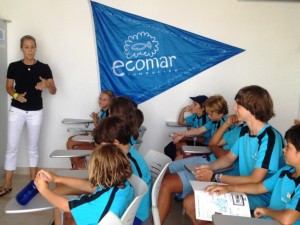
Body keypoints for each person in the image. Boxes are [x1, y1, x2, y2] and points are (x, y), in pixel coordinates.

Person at [182, 85, 286, 225]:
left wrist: (215, 177)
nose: (234, 108)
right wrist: (208, 167)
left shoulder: (270, 137)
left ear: (252, 108)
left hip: (263, 195)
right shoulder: (244, 131)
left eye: (238, 104)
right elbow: (228, 158)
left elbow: (256, 179)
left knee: (208, 212)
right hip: (243, 187)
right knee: (189, 202)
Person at [157, 95, 233, 223]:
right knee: (168, 168)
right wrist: (181, 134)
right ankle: (174, 195)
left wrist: (213, 147)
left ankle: (175, 195)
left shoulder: (230, 126)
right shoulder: (214, 121)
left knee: (167, 183)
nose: (208, 116)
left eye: (210, 113)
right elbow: (198, 131)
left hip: (214, 163)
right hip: (207, 157)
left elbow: (223, 154)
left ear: (219, 112)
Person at [205, 124, 300, 225]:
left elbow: (287, 219)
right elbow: (259, 187)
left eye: (288, 147)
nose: (283, 149)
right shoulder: (285, 171)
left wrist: (266, 211)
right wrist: (229, 188)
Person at [0, 35, 57, 197]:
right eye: (26, 47)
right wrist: (17, 96)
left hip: (35, 112)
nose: (30, 50)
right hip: (17, 111)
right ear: (22, 48)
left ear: (36, 48)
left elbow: (54, 91)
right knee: (11, 147)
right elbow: (9, 87)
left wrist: (46, 85)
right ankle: (7, 183)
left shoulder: (44, 67)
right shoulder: (14, 66)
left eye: (32, 47)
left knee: (33, 147)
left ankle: (34, 182)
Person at [35, 144, 134, 225]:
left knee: (62, 210)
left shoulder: (101, 199)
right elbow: (88, 185)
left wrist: (44, 190)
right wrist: (57, 178)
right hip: (109, 219)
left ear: (98, 170)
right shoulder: (122, 186)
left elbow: (66, 206)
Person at [93, 116, 152, 225]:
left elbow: (128, 199)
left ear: (115, 143)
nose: (100, 151)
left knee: (74, 214)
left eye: (103, 147)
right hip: (123, 207)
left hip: (132, 216)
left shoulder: (131, 163)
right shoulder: (121, 157)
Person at [66, 90, 114, 169]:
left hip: (99, 142)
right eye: (100, 99)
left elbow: (102, 132)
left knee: (72, 145)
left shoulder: (109, 113)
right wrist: (96, 119)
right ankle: (77, 166)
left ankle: (79, 168)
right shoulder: (102, 111)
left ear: (111, 101)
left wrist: (95, 121)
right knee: (70, 140)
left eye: (104, 99)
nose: (101, 101)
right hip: (96, 137)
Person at [164, 95, 210, 161]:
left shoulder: (207, 119)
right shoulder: (195, 116)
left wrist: (184, 138)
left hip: (204, 145)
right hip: (195, 140)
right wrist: (183, 110)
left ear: (202, 109)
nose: (191, 106)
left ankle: (174, 165)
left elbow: (202, 140)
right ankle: (174, 165)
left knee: (172, 148)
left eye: (195, 104)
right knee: (171, 148)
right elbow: (181, 122)